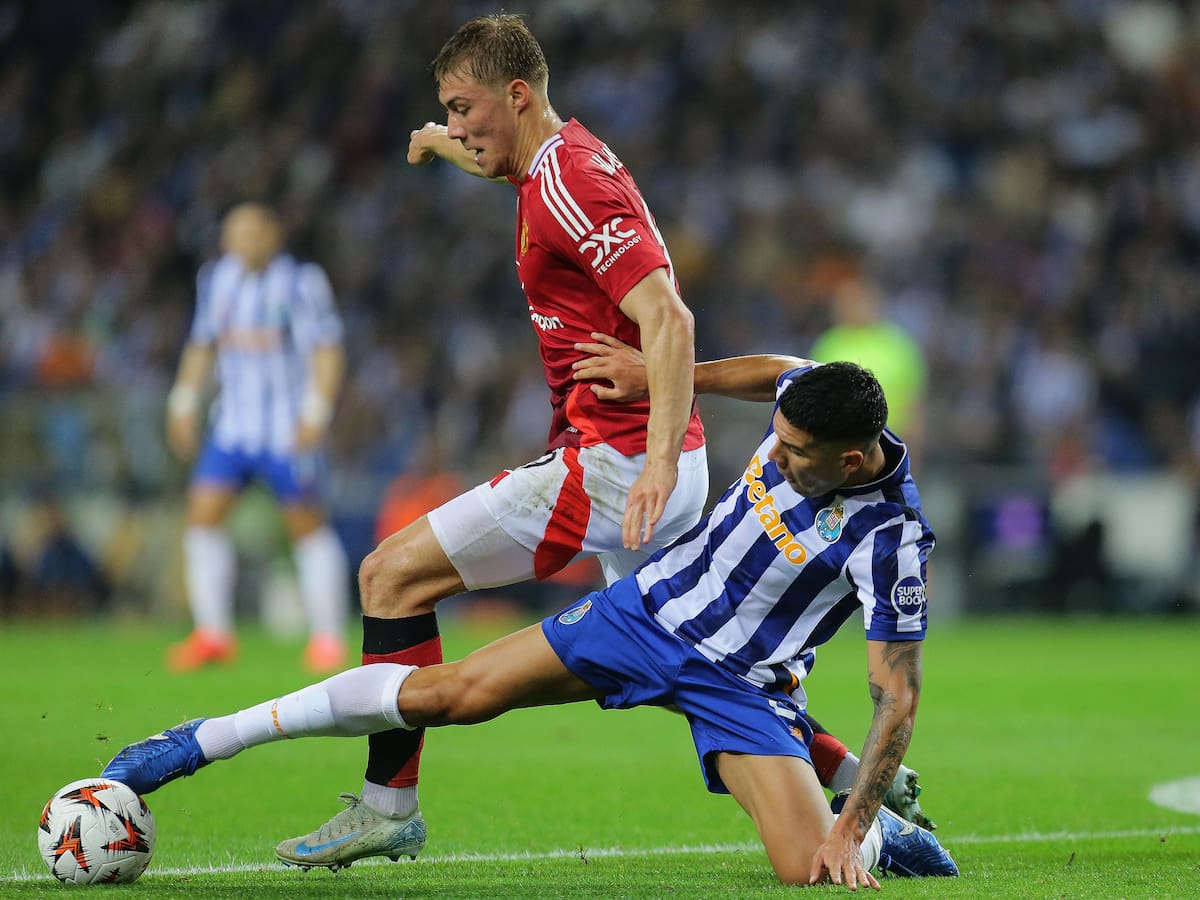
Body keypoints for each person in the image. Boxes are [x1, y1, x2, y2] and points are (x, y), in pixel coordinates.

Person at [101, 358, 957, 888]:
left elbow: (900, 696)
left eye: (795, 455)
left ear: (852, 459)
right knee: (450, 694)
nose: (776, 453)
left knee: (810, 871)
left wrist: (851, 829)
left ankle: (877, 828)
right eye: (777, 437)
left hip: (742, 688)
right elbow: (774, 370)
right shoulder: (816, 400)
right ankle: (198, 742)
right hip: (641, 615)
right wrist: (675, 377)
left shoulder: (891, 541)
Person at [263, 12, 712, 869]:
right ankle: (859, 781)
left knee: (388, 576)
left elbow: (671, 319)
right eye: (447, 108)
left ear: (517, 93)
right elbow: (501, 164)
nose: (461, 123)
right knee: (688, 653)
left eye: (465, 106)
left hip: (613, 465)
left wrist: (651, 461)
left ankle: (387, 804)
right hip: (646, 457)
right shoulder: (551, 159)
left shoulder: (572, 181)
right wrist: (442, 142)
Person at [163, 202, 351, 674]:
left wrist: (316, 411)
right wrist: (184, 401)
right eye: (236, 232)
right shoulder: (216, 278)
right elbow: (202, 343)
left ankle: (328, 638)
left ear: (274, 235)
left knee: (306, 525)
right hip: (233, 427)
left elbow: (327, 349)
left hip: (286, 428)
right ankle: (213, 634)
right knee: (203, 518)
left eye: (253, 231)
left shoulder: (301, 282)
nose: (245, 241)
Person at [809, 274, 928, 468]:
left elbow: (914, 404)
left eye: (858, 300)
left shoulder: (899, 345)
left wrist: (914, 456)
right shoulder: (828, 344)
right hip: (840, 448)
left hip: (890, 446)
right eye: (845, 302)